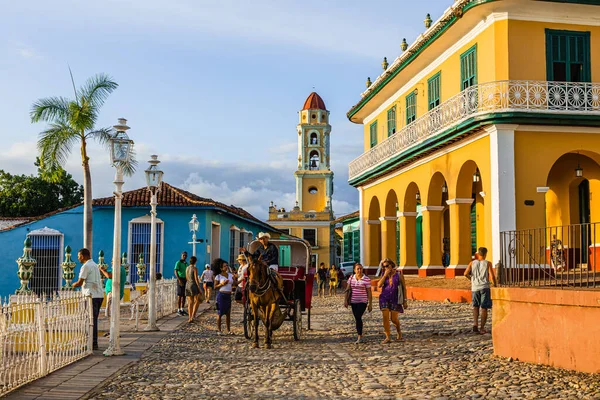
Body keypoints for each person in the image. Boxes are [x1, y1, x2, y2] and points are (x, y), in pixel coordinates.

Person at [72, 248, 104, 351]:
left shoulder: (85, 266)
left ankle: (91, 343)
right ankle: (93, 342)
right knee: (93, 319)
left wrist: (73, 285)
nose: (78, 258)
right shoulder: (94, 265)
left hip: (91, 296)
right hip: (99, 295)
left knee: (90, 320)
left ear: (84, 255)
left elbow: (80, 282)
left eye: (79, 256)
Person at [464, 247, 497, 334]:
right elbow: (492, 276)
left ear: (478, 254)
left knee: (475, 306)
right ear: (485, 254)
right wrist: (495, 284)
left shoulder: (472, 263)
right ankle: (482, 328)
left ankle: (475, 324)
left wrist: (471, 280)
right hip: (484, 287)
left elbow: (465, 273)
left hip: (475, 287)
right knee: (484, 308)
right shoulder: (488, 263)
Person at [377, 259, 407, 344]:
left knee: (393, 319)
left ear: (391, 265)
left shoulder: (399, 274)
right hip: (384, 297)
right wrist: (385, 275)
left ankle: (399, 332)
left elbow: (404, 288)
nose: (386, 268)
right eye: (384, 266)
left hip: (395, 298)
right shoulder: (383, 274)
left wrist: (405, 300)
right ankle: (388, 336)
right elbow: (379, 285)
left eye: (387, 266)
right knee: (385, 317)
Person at [344, 263, 372, 344]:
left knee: (358, 316)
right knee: (357, 318)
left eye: (361, 268)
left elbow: (369, 292)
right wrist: (345, 300)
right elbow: (348, 289)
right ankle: (359, 334)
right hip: (353, 301)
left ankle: (359, 335)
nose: (359, 270)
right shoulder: (351, 277)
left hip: (362, 301)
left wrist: (370, 304)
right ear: (354, 270)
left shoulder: (366, 279)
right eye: (358, 269)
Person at [214, 259, 234, 335]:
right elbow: (215, 287)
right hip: (221, 295)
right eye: (224, 266)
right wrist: (222, 284)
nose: (226, 267)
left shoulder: (230, 275)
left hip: (228, 295)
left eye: (226, 265)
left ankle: (228, 330)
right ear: (221, 268)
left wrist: (241, 279)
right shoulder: (218, 276)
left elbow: (234, 282)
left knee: (228, 313)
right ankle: (219, 330)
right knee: (220, 313)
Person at [185, 256, 203, 323]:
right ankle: (193, 315)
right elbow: (196, 279)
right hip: (193, 285)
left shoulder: (187, 268)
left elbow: (186, 277)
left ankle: (190, 317)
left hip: (188, 284)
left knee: (190, 302)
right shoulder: (195, 268)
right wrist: (199, 288)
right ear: (195, 261)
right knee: (197, 300)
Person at [174, 252, 188, 316]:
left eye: (185, 255)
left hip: (185, 279)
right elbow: (175, 271)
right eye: (183, 255)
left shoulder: (186, 263)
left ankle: (182, 309)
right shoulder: (178, 263)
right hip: (180, 279)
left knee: (184, 295)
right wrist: (179, 279)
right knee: (180, 295)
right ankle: (178, 309)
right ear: (181, 255)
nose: (184, 256)